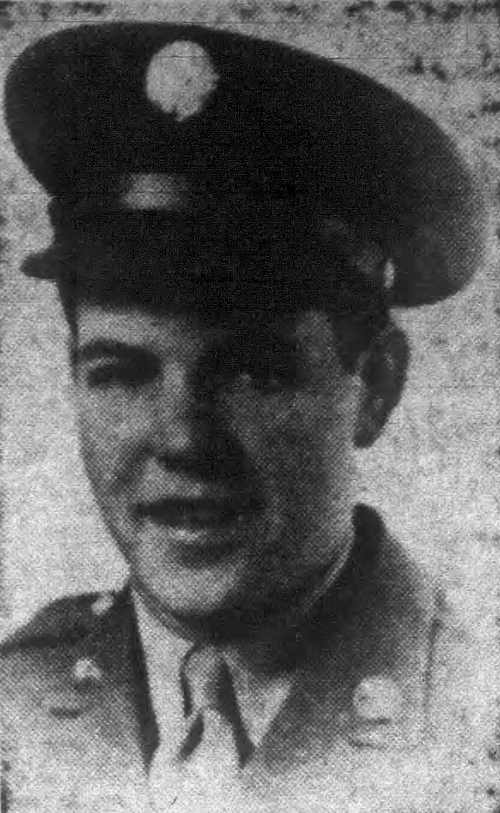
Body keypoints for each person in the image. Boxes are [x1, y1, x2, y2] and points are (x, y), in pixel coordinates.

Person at [0, 22, 496, 813]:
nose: (183, 439)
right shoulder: (15, 704)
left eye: (252, 371)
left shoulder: (474, 721)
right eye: (120, 372)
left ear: (375, 386)